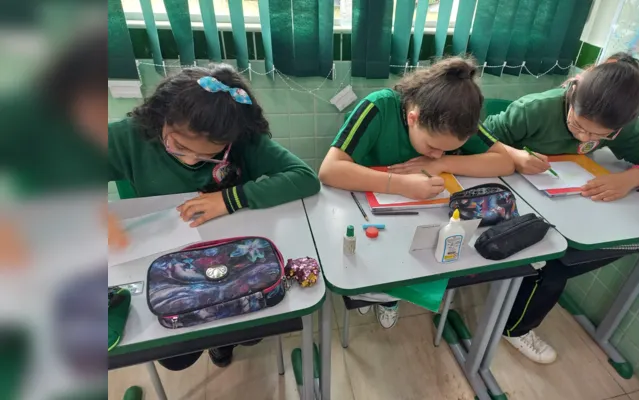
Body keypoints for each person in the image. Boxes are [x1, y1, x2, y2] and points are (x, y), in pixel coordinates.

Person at [108, 64, 321, 369]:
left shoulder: (241, 140)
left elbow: (305, 178)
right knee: (177, 357)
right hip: (165, 263)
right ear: (161, 116)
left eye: (210, 154)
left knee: (249, 328)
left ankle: (225, 344)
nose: (192, 160)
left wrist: (230, 198)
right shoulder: (129, 136)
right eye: (178, 146)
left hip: (230, 258)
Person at [318, 57, 515, 329]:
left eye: (447, 149)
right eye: (433, 146)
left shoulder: (456, 119)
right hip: (367, 209)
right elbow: (329, 170)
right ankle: (375, 292)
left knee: (422, 254)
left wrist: (443, 163)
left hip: (421, 218)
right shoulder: (378, 107)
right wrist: (402, 184)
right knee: (374, 261)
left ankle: (390, 297)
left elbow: (504, 161)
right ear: (413, 118)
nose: (438, 152)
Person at [482, 53, 639, 363]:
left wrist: (633, 177)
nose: (584, 137)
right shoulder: (535, 109)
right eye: (578, 126)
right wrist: (515, 156)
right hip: (514, 195)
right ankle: (517, 324)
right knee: (552, 263)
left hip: (565, 200)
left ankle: (535, 287)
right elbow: (478, 138)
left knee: (598, 250)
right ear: (573, 93)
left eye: (599, 136)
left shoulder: (624, 126)